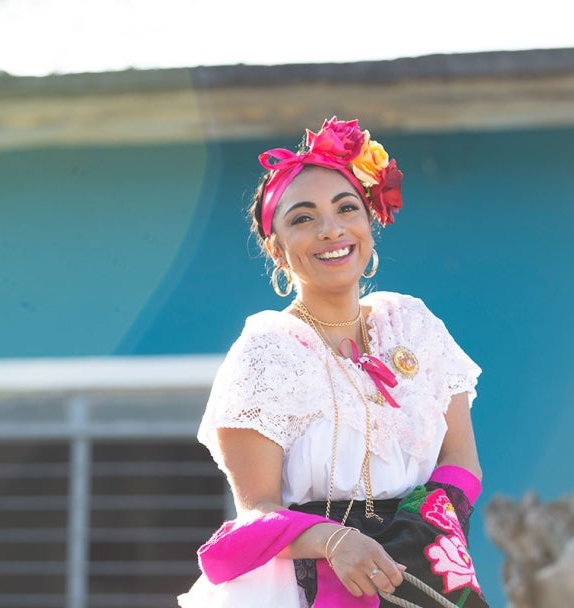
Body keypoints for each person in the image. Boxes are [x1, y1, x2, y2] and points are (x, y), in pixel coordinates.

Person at [178, 117, 489, 608]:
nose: (331, 229)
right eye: (303, 218)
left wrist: (421, 532)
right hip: (311, 580)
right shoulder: (266, 353)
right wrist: (335, 541)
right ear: (277, 250)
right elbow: (256, 510)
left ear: (369, 224)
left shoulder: (413, 325)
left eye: (347, 208)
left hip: (423, 567)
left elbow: (461, 461)